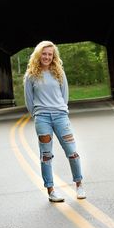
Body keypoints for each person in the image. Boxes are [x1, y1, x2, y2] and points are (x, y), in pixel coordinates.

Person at [23, 40, 86, 202]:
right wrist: (38, 114)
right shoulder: (31, 75)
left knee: (72, 152)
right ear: (38, 54)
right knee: (46, 155)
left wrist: (60, 110)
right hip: (42, 118)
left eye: (50, 54)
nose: (47, 57)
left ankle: (79, 185)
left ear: (53, 56)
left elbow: (64, 96)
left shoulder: (59, 72)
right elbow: (29, 101)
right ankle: (51, 191)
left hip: (60, 116)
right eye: (44, 54)